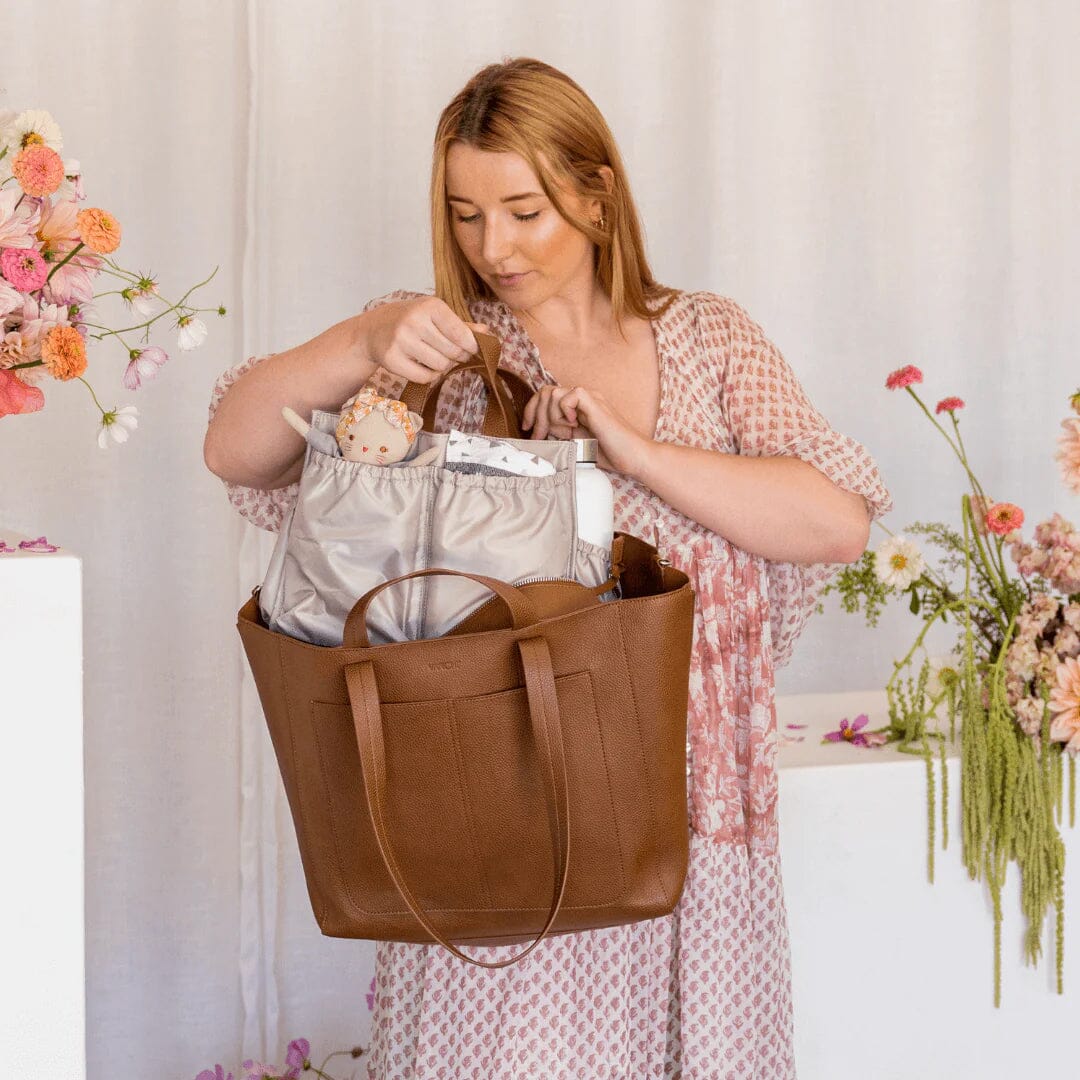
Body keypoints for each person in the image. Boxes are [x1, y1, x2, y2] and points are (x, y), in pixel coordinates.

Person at [204, 56, 893, 1080]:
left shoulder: (707, 339)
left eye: (524, 210)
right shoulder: (441, 350)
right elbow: (236, 447)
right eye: (467, 214)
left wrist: (634, 451)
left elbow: (835, 522)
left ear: (596, 192)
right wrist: (364, 339)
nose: (494, 247)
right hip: (494, 808)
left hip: (696, 831)